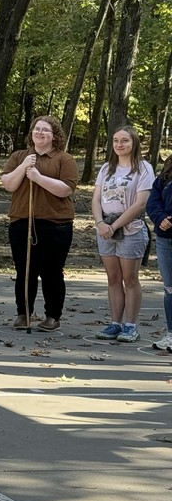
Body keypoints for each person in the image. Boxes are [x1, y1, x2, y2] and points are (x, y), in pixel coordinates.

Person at [0, 115, 77, 332]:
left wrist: (38, 177)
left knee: (52, 271)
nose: (40, 133)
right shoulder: (20, 156)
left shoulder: (64, 159)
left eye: (45, 130)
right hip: (22, 221)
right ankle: (23, 312)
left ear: (55, 136)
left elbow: (66, 189)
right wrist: (24, 165)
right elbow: (9, 184)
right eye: (36, 129)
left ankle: (53, 315)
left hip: (55, 224)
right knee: (25, 270)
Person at [91, 126, 154, 343]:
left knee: (130, 278)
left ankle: (131, 325)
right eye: (116, 140)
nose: (119, 144)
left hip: (130, 229)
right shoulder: (107, 168)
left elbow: (141, 203)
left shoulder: (143, 168)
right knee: (113, 278)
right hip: (105, 230)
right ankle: (115, 323)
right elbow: (96, 199)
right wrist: (100, 223)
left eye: (124, 140)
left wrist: (115, 225)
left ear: (134, 143)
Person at [146, 156, 172, 352]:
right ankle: (171, 333)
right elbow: (152, 202)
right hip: (165, 239)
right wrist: (160, 218)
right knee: (170, 287)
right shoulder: (165, 174)